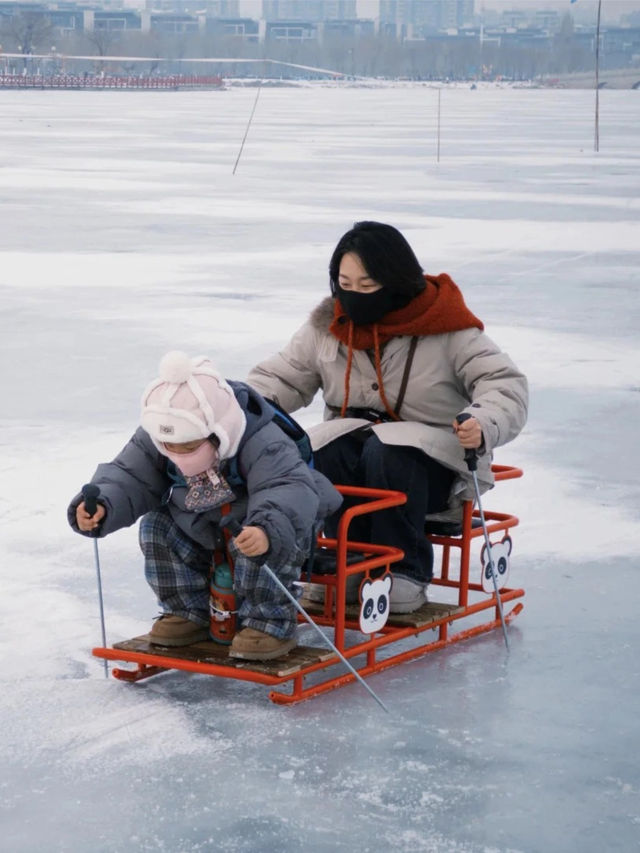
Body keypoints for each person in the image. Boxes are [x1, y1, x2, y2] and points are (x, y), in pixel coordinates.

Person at [247, 221, 528, 613]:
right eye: (345, 283)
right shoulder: (329, 328)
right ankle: (346, 567)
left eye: (367, 286)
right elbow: (279, 378)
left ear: (396, 283)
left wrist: (483, 422)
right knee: (319, 448)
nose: (354, 295)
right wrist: (239, 411)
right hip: (356, 453)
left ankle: (405, 572)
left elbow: (503, 384)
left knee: (389, 451)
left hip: (437, 464)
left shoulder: (446, 327)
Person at [68, 351, 342, 661]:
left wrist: (266, 529)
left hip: (269, 519)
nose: (177, 453)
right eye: (169, 447)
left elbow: (286, 487)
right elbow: (130, 475)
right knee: (157, 525)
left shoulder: (262, 438)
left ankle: (269, 622)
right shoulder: (161, 430)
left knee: (253, 538)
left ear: (218, 431)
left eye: (189, 446)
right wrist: (103, 504)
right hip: (201, 516)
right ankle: (188, 611)